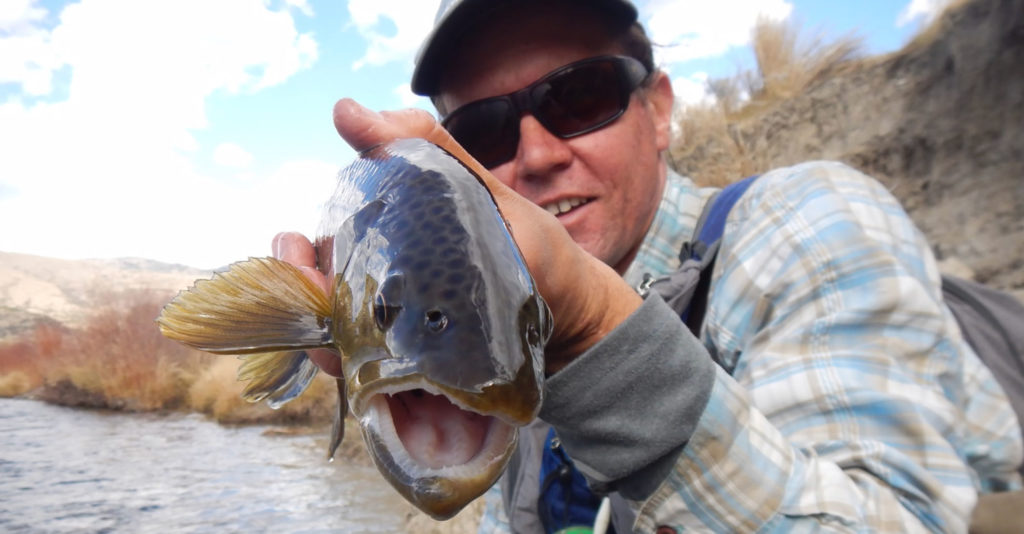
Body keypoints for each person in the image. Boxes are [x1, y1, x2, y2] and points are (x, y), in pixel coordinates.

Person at [273, 0, 1023, 531]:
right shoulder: (501, 335)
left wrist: (594, 329)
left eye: (579, 97)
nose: (536, 154)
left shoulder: (812, 217)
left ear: (660, 109)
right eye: (484, 129)